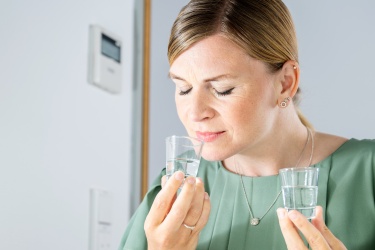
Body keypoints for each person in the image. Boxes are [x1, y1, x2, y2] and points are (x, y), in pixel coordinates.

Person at [119, 0, 375, 249]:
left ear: (285, 82)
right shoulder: (174, 188)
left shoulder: (367, 173)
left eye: (222, 89)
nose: (195, 113)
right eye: (183, 89)